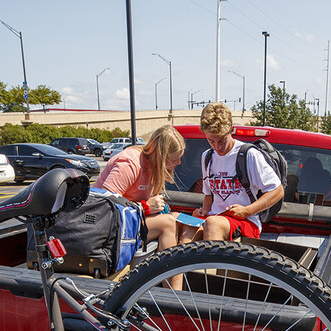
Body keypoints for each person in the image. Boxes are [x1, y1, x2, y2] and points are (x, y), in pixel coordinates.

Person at [180, 102, 283, 242]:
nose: (218, 146)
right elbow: (209, 195)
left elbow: (277, 191)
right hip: (214, 216)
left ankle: (213, 263)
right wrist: (203, 211)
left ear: (231, 130)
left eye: (222, 140)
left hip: (246, 220)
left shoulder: (248, 155)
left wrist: (248, 211)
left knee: (212, 224)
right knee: (187, 226)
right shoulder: (207, 157)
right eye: (211, 141)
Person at [93, 125, 185, 253]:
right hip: (108, 228)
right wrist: (145, 207)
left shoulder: (153, 166)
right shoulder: (129, 163)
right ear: (160, 156)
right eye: (174, 159)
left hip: (129, 220)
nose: (179, 162)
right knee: (168, 224)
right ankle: (169, 272)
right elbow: (104, 206)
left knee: (179, 219)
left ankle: (181, 268)